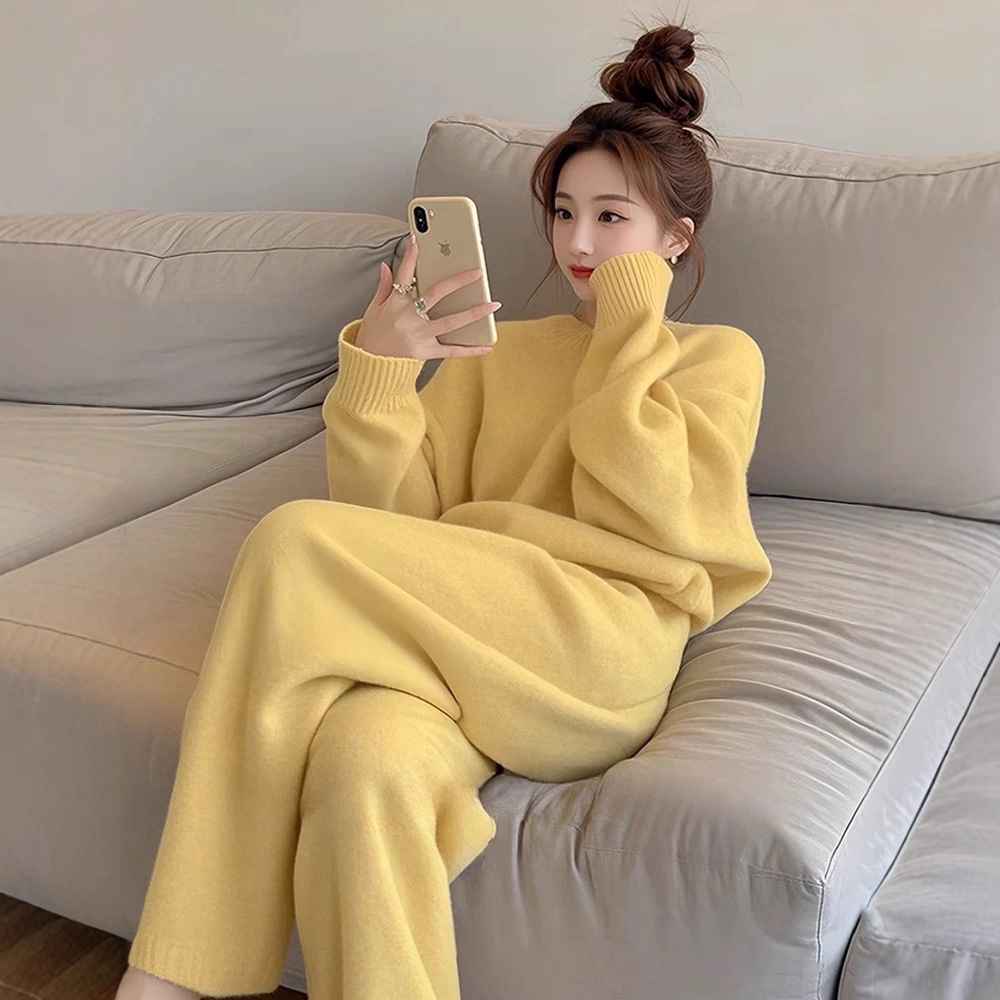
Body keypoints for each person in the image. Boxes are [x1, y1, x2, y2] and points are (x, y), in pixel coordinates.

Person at [115, 18, 772, 1000]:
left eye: (612, 218)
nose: (578, 242)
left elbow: (659, 511)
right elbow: (393, 531)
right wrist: (383, 373)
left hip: (598, 646)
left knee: (292, 540)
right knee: (360, 764)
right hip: (463, 646)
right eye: (563, 213)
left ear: (675, 239)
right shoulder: (494, 355)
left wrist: (633, 314)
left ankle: (174, 976)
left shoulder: (717, 358)